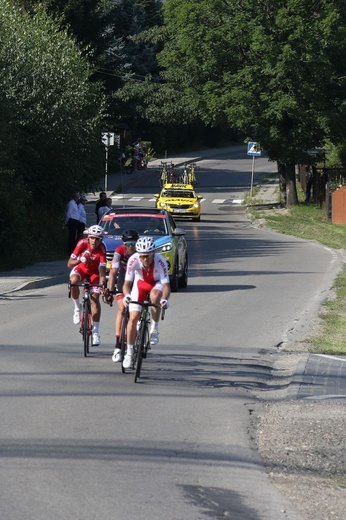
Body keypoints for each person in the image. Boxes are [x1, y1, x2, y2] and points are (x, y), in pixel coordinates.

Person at [121, 236, 170, 369]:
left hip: (156, 284)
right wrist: (127, 296)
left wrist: (164, 300)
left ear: (153, 253)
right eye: (142, 256)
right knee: (133, 318)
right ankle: (129, 353)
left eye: (148, 256)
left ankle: (154, 328)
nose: (145, 259)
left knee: (155, 297)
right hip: (140, 284)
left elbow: (166, 286)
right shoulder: (133, 260)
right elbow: (127, 284)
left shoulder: (161, 261)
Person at [67, 225, 107, 346]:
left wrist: (103, 285)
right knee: (73, 281)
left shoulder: (102, 249)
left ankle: (95, 332)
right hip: (81, 269)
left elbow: (102, 270)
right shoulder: (82, 243)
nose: (94, 241)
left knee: (94, 299)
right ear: (88, 237)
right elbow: (69, 264)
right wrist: (80, 260)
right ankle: (77, 308)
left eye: (97, 239)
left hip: (95, 273)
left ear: (101, 240)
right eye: (92, 238)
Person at [105, 230, 139, 362]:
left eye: (133, 243)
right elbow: (113, 272)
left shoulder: (140, 251)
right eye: (128, 244)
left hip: (138, 278)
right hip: (124, 278)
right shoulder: (119, 250)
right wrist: (109, 290)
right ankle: (118, 345)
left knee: (136, 310)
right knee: (122, 309)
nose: (131, 247)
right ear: (124, 243)